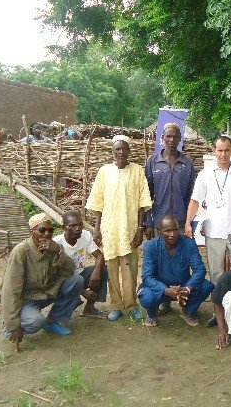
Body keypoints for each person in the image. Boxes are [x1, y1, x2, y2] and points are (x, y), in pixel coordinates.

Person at [86, 134, 152, 321]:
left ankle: (131, 305)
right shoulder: (104, 172)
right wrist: (97, 229)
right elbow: (98, 202)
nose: (121, 152)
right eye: (118, 149)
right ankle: (116, 305)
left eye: (124, 149)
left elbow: (142, 202)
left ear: (129, 151)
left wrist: (139, 228)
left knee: (130, 269)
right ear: (113, 151)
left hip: (130, 228)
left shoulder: (137, 171)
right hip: (109, 228)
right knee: (112, 269)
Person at [1, 214, 83, 345]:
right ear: (31, 232)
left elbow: (70, 270)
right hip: (26, 299)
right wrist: (13, 325)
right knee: (35, 322)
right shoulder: (21, 252)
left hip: (45, 293)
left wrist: (58, 252)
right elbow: (10, 290)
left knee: (76, 280)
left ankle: (54, 321)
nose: (47, 234)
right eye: (42, 230)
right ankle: (8, 328)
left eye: (50, 230)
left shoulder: (54, 246)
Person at [185, 135, 231, 285]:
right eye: (220, 150)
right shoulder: (205, 174)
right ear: (214, 151)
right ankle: (218, 305)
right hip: (214, 231)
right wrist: (187, 223)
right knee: (216, 271)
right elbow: (195, 200)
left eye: (226, 150)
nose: (223, 154)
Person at [138, 215, 214, 326]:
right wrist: (165, 289)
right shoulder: (150, 246)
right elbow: (147, 276)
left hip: (183, 287)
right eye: (167, 231)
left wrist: (187, 288)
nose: (172, 234)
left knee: (206, 286)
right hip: (160, 288)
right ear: (160, 231)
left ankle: (188, 311)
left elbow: (200, 270)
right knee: (147, 296)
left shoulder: (189, 243)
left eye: (175, 230)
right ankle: (152, 313)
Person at [143, 123, 196, 240]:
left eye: (175, 137)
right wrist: (148, 223)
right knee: (160, 256)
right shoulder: (152, 162)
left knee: (180, 256)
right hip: (159, 222)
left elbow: (192, 195)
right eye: (168, 136)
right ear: (163, 137)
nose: (172, 140)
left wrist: (189, 221)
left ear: (180, 139)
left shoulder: (187, 163)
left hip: (180, 223)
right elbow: (146, 195)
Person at [53, 210, 108, 319]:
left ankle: (89, 308)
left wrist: (96, 273)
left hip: (80, 275)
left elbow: (100, 256)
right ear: (63, 227)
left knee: (103, 269)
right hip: (63, 281)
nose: (77, 229)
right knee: (74, 286)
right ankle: (56, 316)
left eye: (80, 224)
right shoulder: (56, 244)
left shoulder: (85, 235)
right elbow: (55, 276)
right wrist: (83, 292)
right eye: (72, 226)